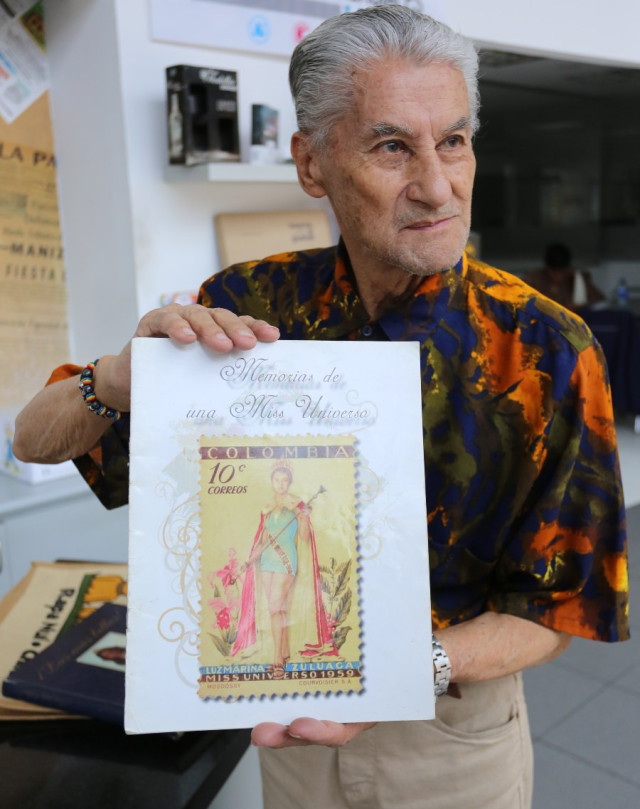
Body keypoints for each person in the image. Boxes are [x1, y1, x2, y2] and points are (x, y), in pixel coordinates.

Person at [13, 6, 628, 808]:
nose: (436, 186)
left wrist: (409, 668)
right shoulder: (251, 307)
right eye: (391, 146)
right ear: (312, 163)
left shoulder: (545, 350)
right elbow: (32, 438)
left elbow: (563, 604)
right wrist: (123, 379)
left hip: (451, 732)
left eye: (453, 140)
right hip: (287, 727)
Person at [233, 465, 337, 675]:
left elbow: (304, 537)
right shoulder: (267, 508)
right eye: (277, 480)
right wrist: (249, 561)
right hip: (267, 561)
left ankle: (277, 660)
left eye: (284, 480)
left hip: (286, 559)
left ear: (289, 483)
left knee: (275, 605)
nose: (280, 484)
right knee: (277, 609)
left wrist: (303, 517)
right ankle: (284, 652)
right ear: (272, 482)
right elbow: (263, 541)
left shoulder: (297, 505)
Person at [523, 242, 605, 311]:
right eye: (554, 272)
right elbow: (521, 301)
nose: (558, 276)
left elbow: (600, 301)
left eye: (562, 272)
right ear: (547, 268)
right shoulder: (533, 279)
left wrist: (581, 304)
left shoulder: (575, 279)